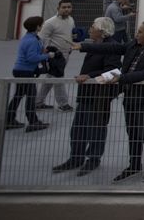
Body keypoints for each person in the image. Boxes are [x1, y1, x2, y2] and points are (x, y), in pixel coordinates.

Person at [76, 19, 144, 182]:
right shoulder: (134, 43)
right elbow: (113, 47)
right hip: (129, 93)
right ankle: (134, 165)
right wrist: (84, 46)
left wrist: (123, 78)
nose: (136, 34)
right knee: (132, 131)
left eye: (140, 32)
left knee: (143, 130)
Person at [52, 16, 121, 175]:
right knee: (78, 129)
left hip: (99, 97)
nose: (90, 29)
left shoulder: (112, 47)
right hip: (85, 95)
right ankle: (75, 158)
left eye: (93, 27)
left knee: (96, 129)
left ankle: (93, 159)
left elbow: (114, 71)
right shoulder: (95, 45)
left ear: (102, 31)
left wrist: (90, 76)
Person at [5, 16, 56, 132]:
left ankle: (9, 120)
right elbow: (32, 58)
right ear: (37, 26)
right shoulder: (32, 40)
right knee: (31, 96)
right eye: (41, 25)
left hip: (20, 70)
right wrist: (48, 56)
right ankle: (33, 121)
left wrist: (43, 51)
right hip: (25, 72)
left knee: (18, 95)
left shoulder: (30, 37)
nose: (42, 26)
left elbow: (34, 52)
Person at [36, 0, 76, 112]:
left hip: (66, 53)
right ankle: (63, 104)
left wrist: (72, 44)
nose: (66, 9)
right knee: (58, 77)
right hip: (54, 55)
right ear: (58, 8)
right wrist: (48, 53)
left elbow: (70, 34)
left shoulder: (71, 20)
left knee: (50, 77)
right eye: (64, 7)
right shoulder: (50, 22)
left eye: (69, 7)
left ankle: (38, 102)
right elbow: (42, 39)